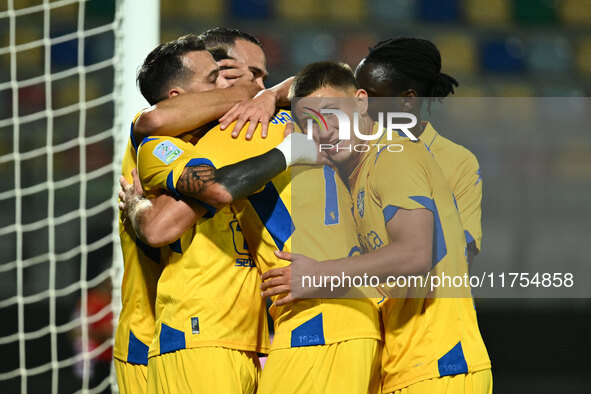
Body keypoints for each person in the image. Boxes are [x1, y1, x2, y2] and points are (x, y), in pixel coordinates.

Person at [261, 61, 492, 394]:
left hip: (439, 367)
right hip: (406, 367)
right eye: (310, 122)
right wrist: (269, 96)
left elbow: (414, 255)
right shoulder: (359, 171)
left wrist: (315, 276)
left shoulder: (393, 157)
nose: (324, 129)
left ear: (361, 102)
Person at [354, 38, 483, 267]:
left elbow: (459, 260)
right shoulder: (350, 151)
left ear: (407, 100)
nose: (357, 103)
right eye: (355, 93)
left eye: (370, 96)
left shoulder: (458, 162)